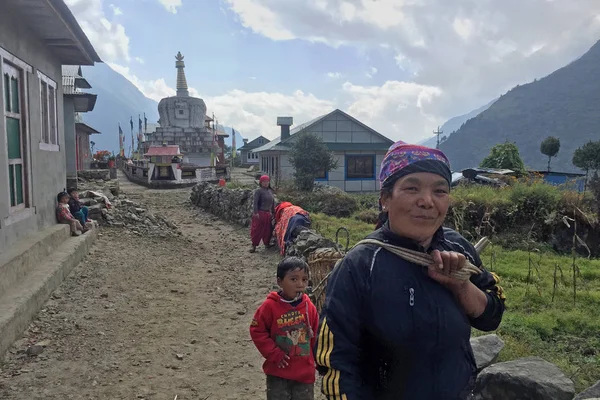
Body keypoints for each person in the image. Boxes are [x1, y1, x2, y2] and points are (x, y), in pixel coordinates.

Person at [315, 141, 506, 400]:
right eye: (412, 188)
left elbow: (491, 317)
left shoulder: (457, 247)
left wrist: (460, 285)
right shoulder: (360, 265)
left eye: (439, 191)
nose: (427, 201)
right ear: (385, 199)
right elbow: (336, 362)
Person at [250, 256, 319, 400]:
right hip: (278, 371)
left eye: (304, 280)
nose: (300, 284)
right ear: (279, 281)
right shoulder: (270, 307)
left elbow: (315, 335)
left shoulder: (309, 307)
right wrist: (274, 354)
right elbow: (257, 331)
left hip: (304, 374)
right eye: (293, 279)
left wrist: (316, 360)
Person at [250, 175, 275, 253]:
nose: (266, 183)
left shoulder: (270, 191)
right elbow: (255, 202)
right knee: (257, 230)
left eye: (267, 181)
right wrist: (256, 212)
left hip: (268, 214)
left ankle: (267, 243)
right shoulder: (258, 191)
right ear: (261, 182)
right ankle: (253, 246)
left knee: (268, 230)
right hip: (260, 213)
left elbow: (272, 203)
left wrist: (273, 212)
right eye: (264, 182)